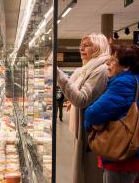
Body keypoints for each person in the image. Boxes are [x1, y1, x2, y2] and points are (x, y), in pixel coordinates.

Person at [84, 44, 139, 183]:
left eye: (113, 60)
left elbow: (92, 114)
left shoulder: (124, 83)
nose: (107, 63)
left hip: (121, 155)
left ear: (126, 66)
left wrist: (91, 124)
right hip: (133, 152)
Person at [57, 33, 110, 183]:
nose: (82, 48)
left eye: (87, 45)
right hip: (82, 133)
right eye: (81, 44)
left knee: (89, 174)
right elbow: (80, 95)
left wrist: (60, 77)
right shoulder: (88, 69)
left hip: (91, 136)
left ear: (98, 48)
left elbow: (82, 99)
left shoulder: (100, 71)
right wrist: (72, 101)